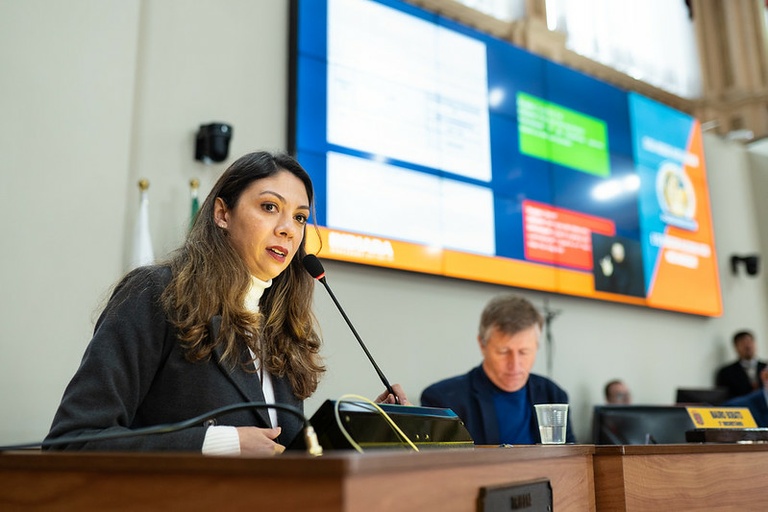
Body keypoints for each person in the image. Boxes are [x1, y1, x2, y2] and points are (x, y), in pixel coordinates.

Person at [45, 150, 408, 456]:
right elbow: (73, 440)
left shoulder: (280, 326)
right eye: (269, 207)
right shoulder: (155, 293)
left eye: (299, 217)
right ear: (222, 214)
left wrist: (360, 429)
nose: (288, 228)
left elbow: (281, 455)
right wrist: (218, 442)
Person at [420, 293, 576, 445]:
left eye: (524, 352)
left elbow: (571, 462)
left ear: (537, 346)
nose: (515, 365)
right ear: (482, 344)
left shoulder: (553, 395)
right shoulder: (444, 401)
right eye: (503, 352)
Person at [715, 330, 767, 400]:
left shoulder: (766, 367)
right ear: (736, 347)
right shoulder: (726, 373)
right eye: (743, 343)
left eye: (750, 342)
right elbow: (724, 398)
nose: (748, 346)